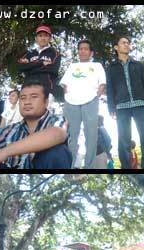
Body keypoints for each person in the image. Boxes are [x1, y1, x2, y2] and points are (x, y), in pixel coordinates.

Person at [0, 81, 72, 169]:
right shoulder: (10, 131)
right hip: (13, 182)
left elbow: (58, 133)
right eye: (23, 98)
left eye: (34, 97)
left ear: (46, 102)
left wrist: (3, 153)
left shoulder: (57, 120)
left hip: (42, 179)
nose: (27, 102)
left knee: (57, 152)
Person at [106, 34, 144, 169]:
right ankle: (126, 166)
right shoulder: (111, 67)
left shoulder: (138, 65)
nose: (126, 44)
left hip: (140, 104)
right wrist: (111, 108)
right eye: (123, 42)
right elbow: (109, 89)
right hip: (121, 107)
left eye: (128, 43)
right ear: (116, 47)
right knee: (124, 139)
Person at [60, 39, 106, 168]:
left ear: (91, 53)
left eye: (86, 48)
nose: (83, 51)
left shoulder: (97, 66)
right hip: (72, 102)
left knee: (90, 134)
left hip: (90, 101)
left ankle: (89, 166)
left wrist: (96, 95)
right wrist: (67, 95)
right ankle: (71, 164)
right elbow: (65, 83)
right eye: (80, 48)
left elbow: (102, 83)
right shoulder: (72, 66)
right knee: (72, 134)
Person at [16, 24, 61, 101]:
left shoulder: (55, 53)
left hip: (46, 90)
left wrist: (30, 67)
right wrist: (41, 63)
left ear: (50, 38)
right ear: (36, 38)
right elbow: (20, 68)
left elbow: (53, 70)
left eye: (45, 36)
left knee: (45, 112)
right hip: (28, 89)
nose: (43, 38)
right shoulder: (29, 54)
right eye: (40, 36)